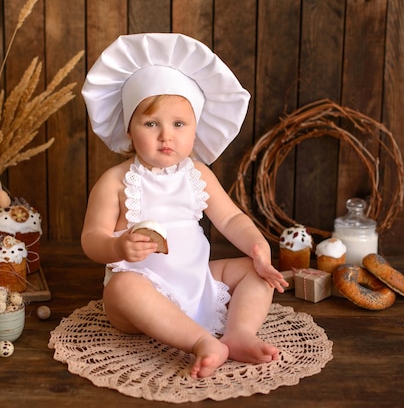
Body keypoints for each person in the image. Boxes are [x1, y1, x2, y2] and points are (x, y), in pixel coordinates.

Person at [80, 33, 288, 379]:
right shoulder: (115, 182)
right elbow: (91, 238)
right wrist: (117, 246)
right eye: (151, 123)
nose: (166, 136)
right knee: (122, 288)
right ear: (129, 129)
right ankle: (201, 341)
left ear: (195, 130)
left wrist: (259, 249)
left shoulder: (198, 175)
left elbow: (232, 217)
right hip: (143, 289)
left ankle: (239, 333)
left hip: (198, 282)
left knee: (255, 272)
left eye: (179, 124)